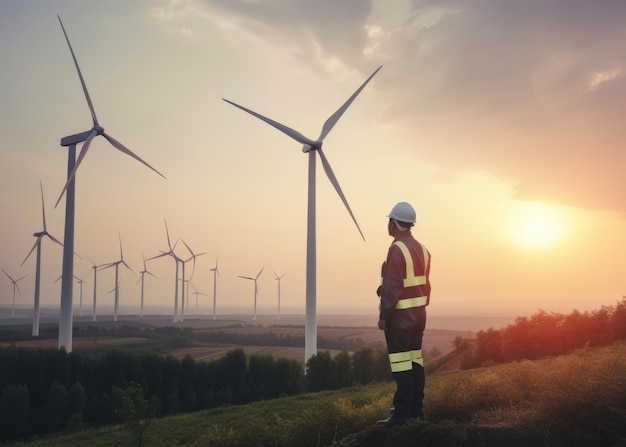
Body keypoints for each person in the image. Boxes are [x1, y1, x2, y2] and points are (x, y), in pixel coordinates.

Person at [375, 201, 431, 427]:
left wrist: (384, 316)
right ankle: (416, 410)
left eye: (389, 220)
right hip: (418, 316)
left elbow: (392, 289)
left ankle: (400, 415)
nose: (388, 225)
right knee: (415, 362)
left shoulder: (397, 249)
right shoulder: (423, 250)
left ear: (394, 223)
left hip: (399, 319)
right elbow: (425, 286)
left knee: (401, 366)